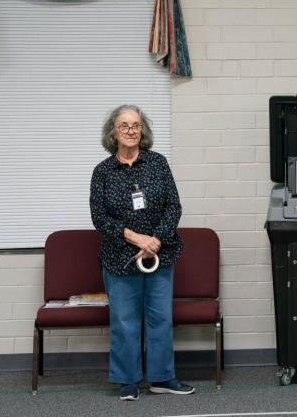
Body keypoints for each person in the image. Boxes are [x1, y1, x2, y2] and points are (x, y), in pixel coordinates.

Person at [90, 104, 195, 401]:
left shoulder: (158, 163)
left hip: (159, 255)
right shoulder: (102, 172)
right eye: (124, 125)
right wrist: (136, 239)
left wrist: (155, 241)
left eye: (135, 125)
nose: (130, 130)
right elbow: (99, 217)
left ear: (143, 130)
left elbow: (174, 206)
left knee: (160, 318)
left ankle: (162, 377)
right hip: (120, 258)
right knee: (124, 321)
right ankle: (128, 381)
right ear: (113, 131)